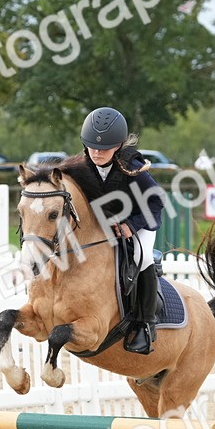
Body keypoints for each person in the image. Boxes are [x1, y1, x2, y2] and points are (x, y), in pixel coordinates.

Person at [59, 106, 164, 354]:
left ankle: (145, 324)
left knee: (143, 257)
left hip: (139, 222)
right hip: (102, 228)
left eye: (104, 148)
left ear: (118, 146)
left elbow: (156, 202)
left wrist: (132, 225)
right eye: (92, 146)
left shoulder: (133, 168)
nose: (97, 152)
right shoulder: (79, 166)